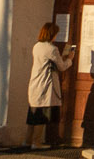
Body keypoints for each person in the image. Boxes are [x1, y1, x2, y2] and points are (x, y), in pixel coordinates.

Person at [24, 21, 74, 149]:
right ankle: (37, 142)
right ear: (52, 34)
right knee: (42, 114)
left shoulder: (37, 46)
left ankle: (28, 141)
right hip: (45, 84)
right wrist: (69, 59)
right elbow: (61, 67)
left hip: (35, 82)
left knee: (33, 114)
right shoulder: (52, 49)